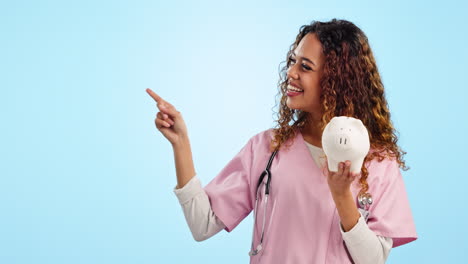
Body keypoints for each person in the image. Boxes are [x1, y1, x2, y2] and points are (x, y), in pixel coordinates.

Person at [147, 18, 418, 264]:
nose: (291, 72)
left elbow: (373, 260)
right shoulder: (268, 149)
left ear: (336, 78)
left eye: (306, 66)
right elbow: (202, 224)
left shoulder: (378, 162)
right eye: (292, 61)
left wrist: (342, 197)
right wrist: (180, 143)